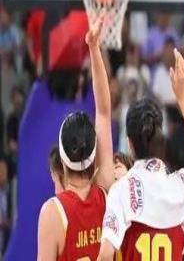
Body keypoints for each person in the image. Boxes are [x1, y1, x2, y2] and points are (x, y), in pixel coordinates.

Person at [97, 50, 184, 260]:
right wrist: (183, 98)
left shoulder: (122, 190)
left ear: (129, 144)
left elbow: (104, 255)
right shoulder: (182, 185)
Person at [37, 16, 114, 260]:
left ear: (61, 159)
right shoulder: (106, 192)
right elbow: (104, 111)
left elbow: (103, 112)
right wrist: (94, 48)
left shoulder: (52, 213)